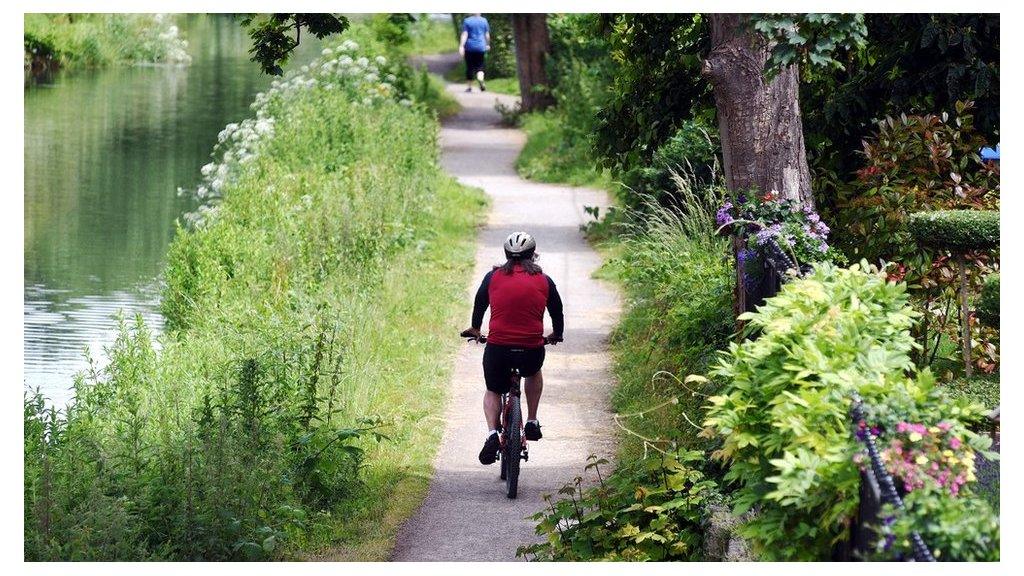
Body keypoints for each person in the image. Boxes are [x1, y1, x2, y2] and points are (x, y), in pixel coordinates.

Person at [463, 232, 564, 465]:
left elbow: (480, 304)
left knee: (493, 389)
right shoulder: (544, 280)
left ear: (507, 254)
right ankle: (531, 420)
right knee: (533, 372)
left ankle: (491, 434)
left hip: (498, 348)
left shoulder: (493, 277)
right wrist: (556, 334)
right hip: (531, 348)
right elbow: (557, 310)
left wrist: (476, 329)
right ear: (533, 254)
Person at [459, 13, 490, 93]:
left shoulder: (467, 21)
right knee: (480, 66)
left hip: (469, 47)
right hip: (481, 46)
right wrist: (487, 44)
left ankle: (469, 87)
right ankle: (480, 78)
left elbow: (465, 34)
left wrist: (461, 46)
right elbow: (487, 34)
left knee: (469, 67)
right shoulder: (484, 20)